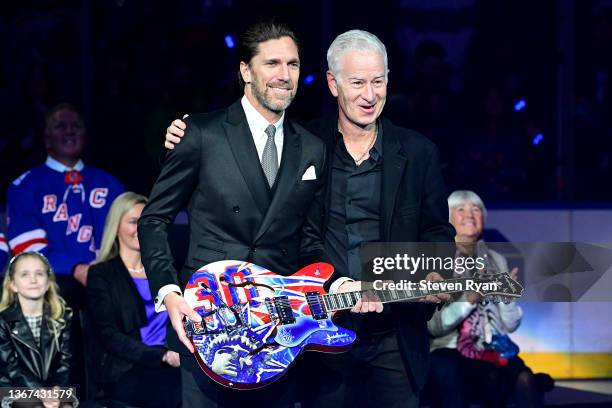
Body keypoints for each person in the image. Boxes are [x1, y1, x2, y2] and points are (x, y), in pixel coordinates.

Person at [164, 29, 455, 408]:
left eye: (378, 82)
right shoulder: (303, 143)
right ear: (333, 84)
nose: (370, 95)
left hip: (395, 336)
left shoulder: (419, 152)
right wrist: (185, 134)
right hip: (317, 332)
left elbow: (436, 231)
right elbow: (293, 225)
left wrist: (436, 271)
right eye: (358, 82)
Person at [138, 20, 331, 408]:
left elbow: (308, 239)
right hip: (208, 322)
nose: (284, 75)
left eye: (292, 65)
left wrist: (329, 283)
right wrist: (169, 293)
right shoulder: (202, 134)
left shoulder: (312, 148)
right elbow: (153, 219)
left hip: (279, 330)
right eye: (272, 63)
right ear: (245, 70)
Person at [425, 190, 543, 408]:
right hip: (447, 348)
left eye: (476, 209)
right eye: (461, 210)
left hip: (491, 348)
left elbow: (509, 325)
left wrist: (506, 299)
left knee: (525, 379)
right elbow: (434, 327)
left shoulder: (496, 260)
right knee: (450, 374)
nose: (470, 214)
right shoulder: (436, 259)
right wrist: (471, 298)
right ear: (447, 219)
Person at [6, 103, 124, 308]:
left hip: (111, 286)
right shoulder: (25, 186)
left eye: (76, 126)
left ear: (85, 134)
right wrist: (76, 268)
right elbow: (27, 248)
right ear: (46, 138)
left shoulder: (109, 183)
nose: (69, 130)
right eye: (60, 126)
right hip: (53, 291)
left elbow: (133, 234)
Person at [86, 192, 181, 408]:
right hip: (127, 369)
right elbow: (109, 337)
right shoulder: (101, 274)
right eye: (132, 222)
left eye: (145, 222)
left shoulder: (165, 273)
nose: (140, 228)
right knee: (177, 393)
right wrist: (162, 356)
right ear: (116, 226)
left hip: (173, 362)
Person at [0, 252, 72, 396]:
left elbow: (66, 362)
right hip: (14, 392)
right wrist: (40, 392)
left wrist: (56, 390)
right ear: (13, 285)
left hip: (56, 392)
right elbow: (9, 368)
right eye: (25, 274)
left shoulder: (63, 317)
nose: (33, 280)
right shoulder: (3, 321)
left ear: (48, 283)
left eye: (39, 273)